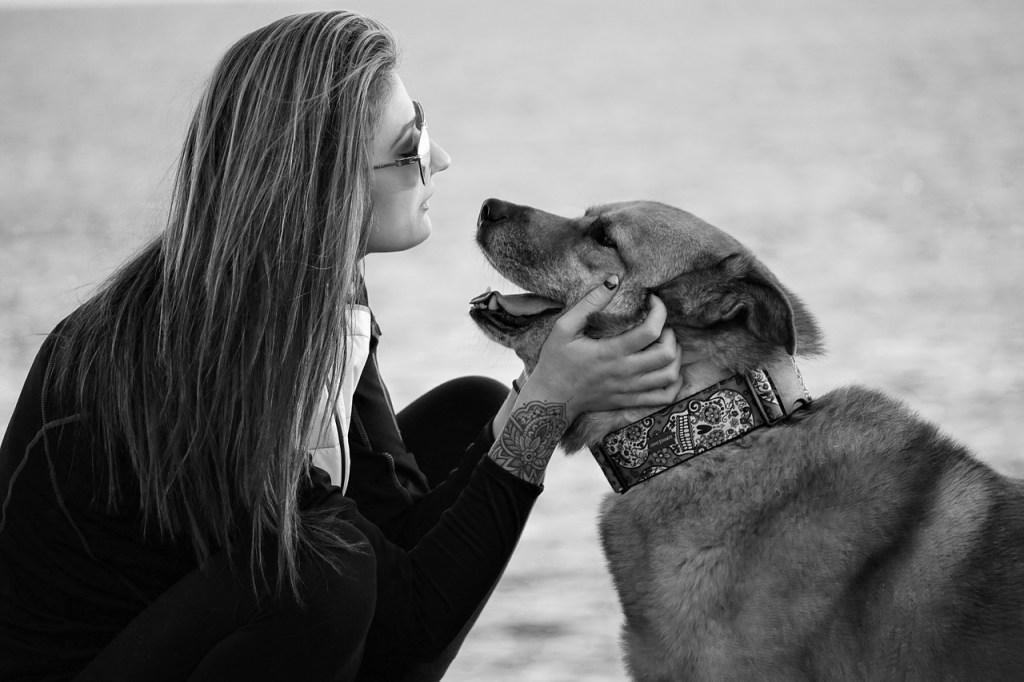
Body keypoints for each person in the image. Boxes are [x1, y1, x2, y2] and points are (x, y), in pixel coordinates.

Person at [0, 10, 681, 681]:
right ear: (331, 183)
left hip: (189, 623)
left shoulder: (307, 294)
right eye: (411, 144)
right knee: (326, 571)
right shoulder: (197, 355)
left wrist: (531, 401)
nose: (439, 159)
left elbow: (389, 543)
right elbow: (403, 626)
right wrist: (547, 409)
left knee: (468, 417)